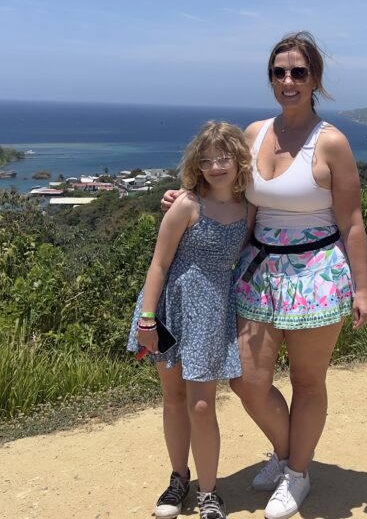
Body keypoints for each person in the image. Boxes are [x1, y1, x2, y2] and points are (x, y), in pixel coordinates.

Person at [164, 31, 367, 519]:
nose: (288, 80)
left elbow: (351, 220)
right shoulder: (253, 134)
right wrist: (184, 200)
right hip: (260, 270)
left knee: (308, 382)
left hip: (317, 271)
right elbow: (226, 192)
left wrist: (362, 288)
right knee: (248, 379)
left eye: (298, 72)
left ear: (314, 80)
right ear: (271, 78)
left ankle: (297, 473)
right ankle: (289, 458)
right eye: (279, 72)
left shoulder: (331, 142)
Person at [127, 121, 254, 519]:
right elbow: (160, 263)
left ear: (239, 160)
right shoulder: (186, 204)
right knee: (174, 398)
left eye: (223, 158)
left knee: (202, 406)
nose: (216, 166)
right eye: (207, 159)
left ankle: (209, 492)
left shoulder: (249, 208)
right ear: (196, 165)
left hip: (212, 313)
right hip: (168, 308)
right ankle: (178, 479)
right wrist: (147, 320)